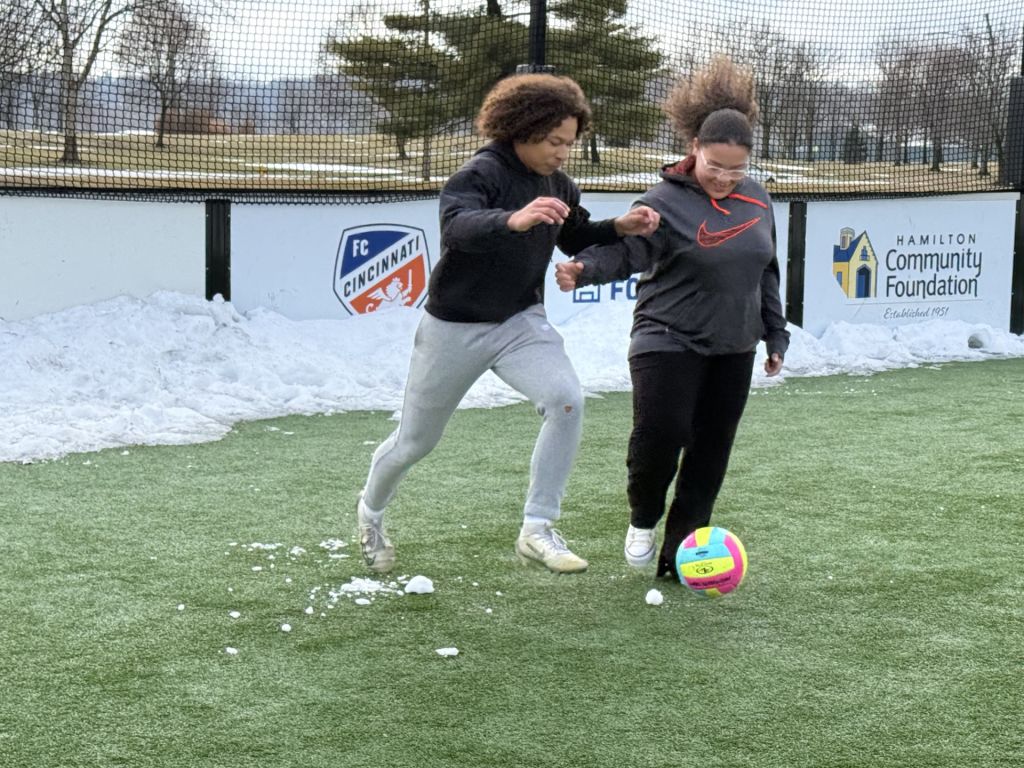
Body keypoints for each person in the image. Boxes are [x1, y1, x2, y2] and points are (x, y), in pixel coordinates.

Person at [356, 73, 660, 574]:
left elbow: (573, 231)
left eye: (570, 142)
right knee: (415, 442)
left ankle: (537, 528)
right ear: (522, 129)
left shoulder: (558, 182)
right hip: (454, 326)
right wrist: (513, 220)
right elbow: (458, 226)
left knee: (566, 400)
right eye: (554, 141)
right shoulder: (480, 174)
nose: (563, 152)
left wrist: (617, 227)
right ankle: (370, 513)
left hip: (521, 321)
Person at [554, 56, 789, 578]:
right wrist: (583, 268)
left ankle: (682, 552)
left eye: (737, 169)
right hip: (667, 337)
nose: (726, 178)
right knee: (661, 436)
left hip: (734, 345)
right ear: (694, 150)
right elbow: (627, 253)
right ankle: (643, 517)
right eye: (715, 166)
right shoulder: (662, 200)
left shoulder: (758, 199)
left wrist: (775, 333)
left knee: (710, 451)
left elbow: (765, 270)